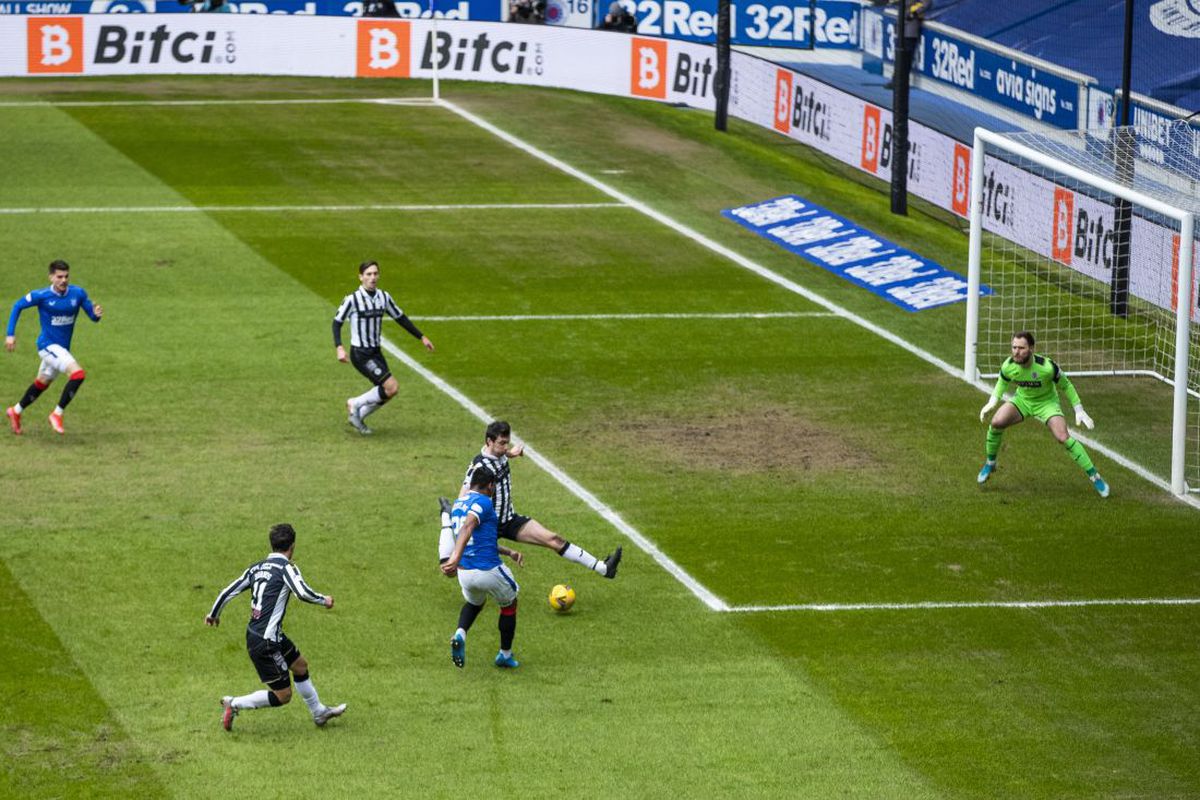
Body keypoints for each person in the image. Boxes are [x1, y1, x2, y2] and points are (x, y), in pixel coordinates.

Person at [437, 420, 622, 580]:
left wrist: (512, 453)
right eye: (502, 444)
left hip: (508, 520)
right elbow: (464, 496)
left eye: (507, 443)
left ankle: (604, 569)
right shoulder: (479, 466)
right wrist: (458, 519)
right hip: (485, 525)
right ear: (489, 441)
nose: (505, 448)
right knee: (451, 570)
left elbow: (501, 454)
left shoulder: (499, 453)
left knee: (553, 539)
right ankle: (446, 516)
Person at [205, 523, 346, 731]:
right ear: (293, 546)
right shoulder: (286, 568)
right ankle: (234, 703)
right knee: (283, 696)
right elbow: (302, 592)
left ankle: (319, 712)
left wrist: (213, 614)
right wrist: (323, 600)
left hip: (264, 635)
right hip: (266, 642)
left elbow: (228, 591)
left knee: (300, 666)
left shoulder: (256, 567)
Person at [977, 331, 1109, 497]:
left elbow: (1066, 385)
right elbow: (1001, 384)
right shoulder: (1008, 365)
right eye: (1014, 347)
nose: (1016, 352)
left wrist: (1079, 409)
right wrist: (992, 403)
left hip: (1047, 404)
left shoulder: (1047, 367)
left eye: (1021, 348)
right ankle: (990, 463)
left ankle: (1094, 476)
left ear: (1031, 348)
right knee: (996, 422)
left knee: (1063, 438)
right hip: (1023, 401)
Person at [333, 260, 434, 435]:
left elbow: (400, 318)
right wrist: (339, 347)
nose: (372, 278)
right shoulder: (352, 299)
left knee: (389, 391)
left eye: (375, 274)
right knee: (392, 386)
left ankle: (358, 416)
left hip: (376, 352)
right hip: (361, 353)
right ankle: (354, 403)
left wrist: (421, 337)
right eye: (368, 274)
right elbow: (336, 323)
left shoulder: (383, 297)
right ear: (361, 277)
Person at [6, 260, 103, 436]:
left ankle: (15, 411)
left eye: (66, 276)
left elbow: (92, 315)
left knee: (42, 383)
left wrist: (96, 314)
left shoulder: (78, 294)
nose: (63, 280)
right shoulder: (41, 296)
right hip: (47, 346)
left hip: (62, 349)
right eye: (59, 277)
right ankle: (57, 414)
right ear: (51, 277)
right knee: (78, 374)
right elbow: (17, 306)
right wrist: (10, 334)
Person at [442, 467, 526, 669]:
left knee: (474, 603)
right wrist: (455, 556)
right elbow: (468, 527)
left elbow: (477, 538)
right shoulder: (483, 502)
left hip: (465, 573)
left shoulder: (458, 504)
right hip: (487, 568)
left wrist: (509, 552)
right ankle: (504, 655)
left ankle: (460, 634)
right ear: (490, 485)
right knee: (510, 604)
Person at [882, 0, 931, 90]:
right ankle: (896, 80)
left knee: (906, 58)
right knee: (899, 56)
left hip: (910, 27)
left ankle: (902, 83)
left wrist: (913, 13)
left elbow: (926, 4)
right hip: (901, 26)